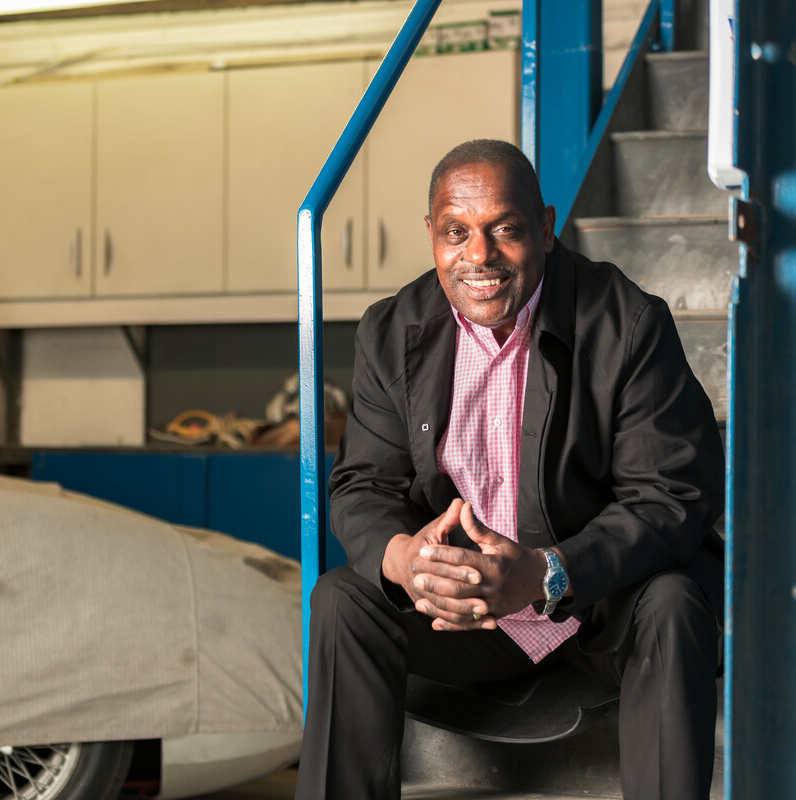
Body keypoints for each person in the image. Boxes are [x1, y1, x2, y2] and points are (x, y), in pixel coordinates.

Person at [295, 139, 725, 800]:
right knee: (342, 601)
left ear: (546, 229)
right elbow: (363, 484)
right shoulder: (390, 332)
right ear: (431, 236)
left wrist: (545, 572)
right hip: (463, 614)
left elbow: (671, 495)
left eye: (506, 230)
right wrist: (405, 559)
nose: (479, 256)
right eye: (455, 233)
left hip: (596, 608)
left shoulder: (627, 321)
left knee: (674, 602)